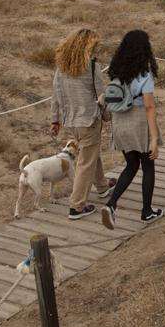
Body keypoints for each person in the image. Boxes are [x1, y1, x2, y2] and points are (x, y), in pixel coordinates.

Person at [102, 30, 163, 228]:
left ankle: (111, 204)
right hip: (138, 121)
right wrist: (154, 138)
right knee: (148, 166)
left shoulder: (116, 68)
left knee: (131, 165)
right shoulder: (144, 72)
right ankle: (146, 211)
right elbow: (149, 105)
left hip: (120, 121)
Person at [50, 29, 110, 220]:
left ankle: (102, 186)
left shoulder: (61, 68)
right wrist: (108, 116)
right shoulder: (92, 67)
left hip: (71, 122)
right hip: (89, 120)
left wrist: (55, 120)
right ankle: (76, 206)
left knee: (89, 153)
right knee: (86, 161)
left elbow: (55, 97)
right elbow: (103, 96)